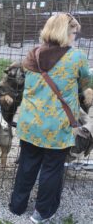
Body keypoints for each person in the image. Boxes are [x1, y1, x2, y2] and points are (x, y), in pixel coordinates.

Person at [9, 13, 90, 223]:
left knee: (27, 164)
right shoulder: (77, 57)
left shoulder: (32, 54)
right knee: (52, 169)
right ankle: (42, 213)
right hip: (58, 126)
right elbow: (87, 82)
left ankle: (16, 207)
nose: (75, 37)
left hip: (29, 123)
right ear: (65, 32)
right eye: (74, 32)